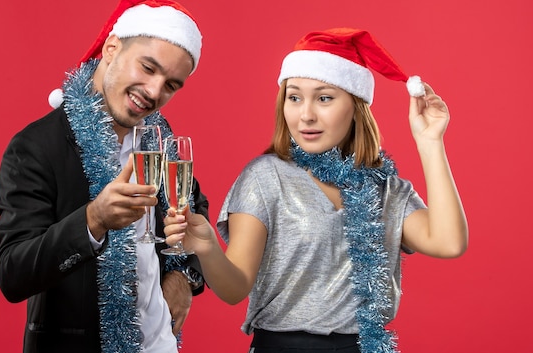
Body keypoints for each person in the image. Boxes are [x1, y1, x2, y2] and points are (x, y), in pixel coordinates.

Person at [164, 28, 468, 353]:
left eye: (324, 98)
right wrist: (207, 249)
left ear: (356, 106)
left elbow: (449, 242)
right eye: (294, 97)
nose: (306, 114)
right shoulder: (267, 177)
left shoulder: (383, 188)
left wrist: (430, 141)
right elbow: (235, 288)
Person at [0, 0, 209, 353]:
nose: (155, 91)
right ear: (111, 48)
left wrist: (184, 277)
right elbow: (12, 274)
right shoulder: (36, 147)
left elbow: (193, 215)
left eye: (171, 84)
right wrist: (93, 220)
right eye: (148, 68)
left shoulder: (160, 140)